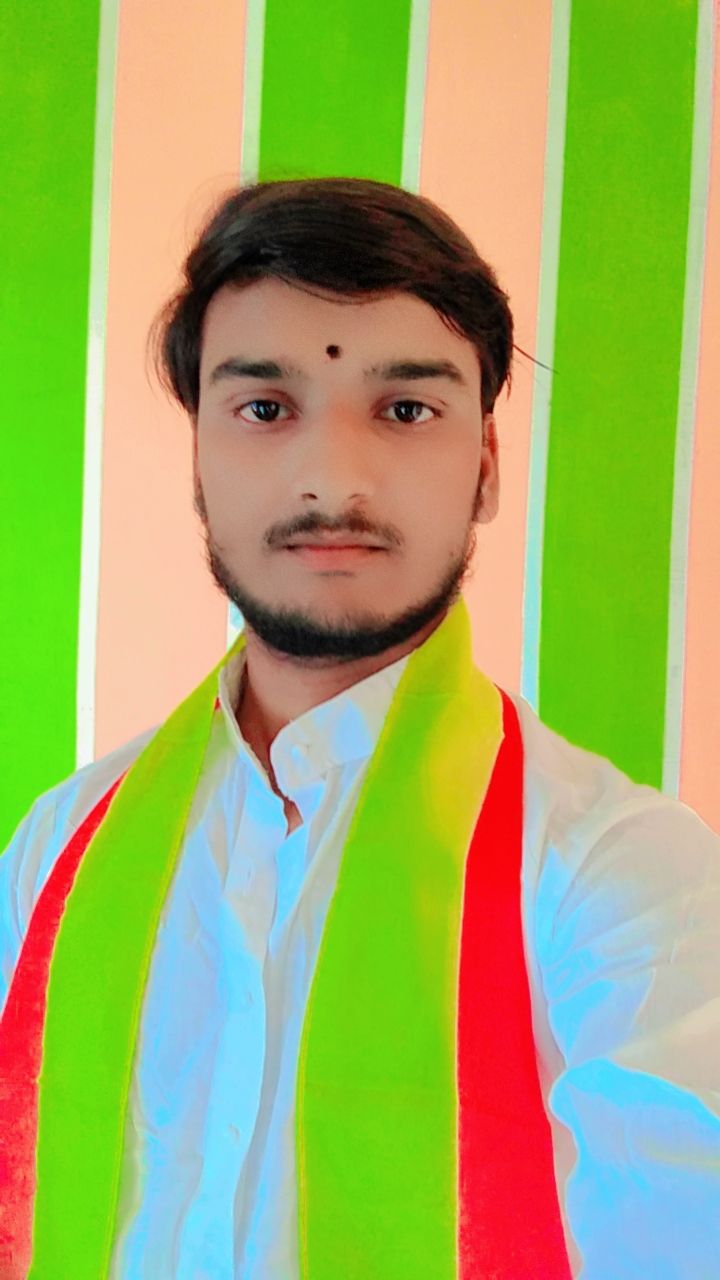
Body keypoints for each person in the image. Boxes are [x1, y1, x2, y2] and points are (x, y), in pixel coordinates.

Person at [1, 177, 718, 1280]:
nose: (332, 477)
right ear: (197, 461)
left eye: (405, 409)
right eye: (265, 407)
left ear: (486, 466)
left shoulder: (621, 878)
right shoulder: (57, 850)